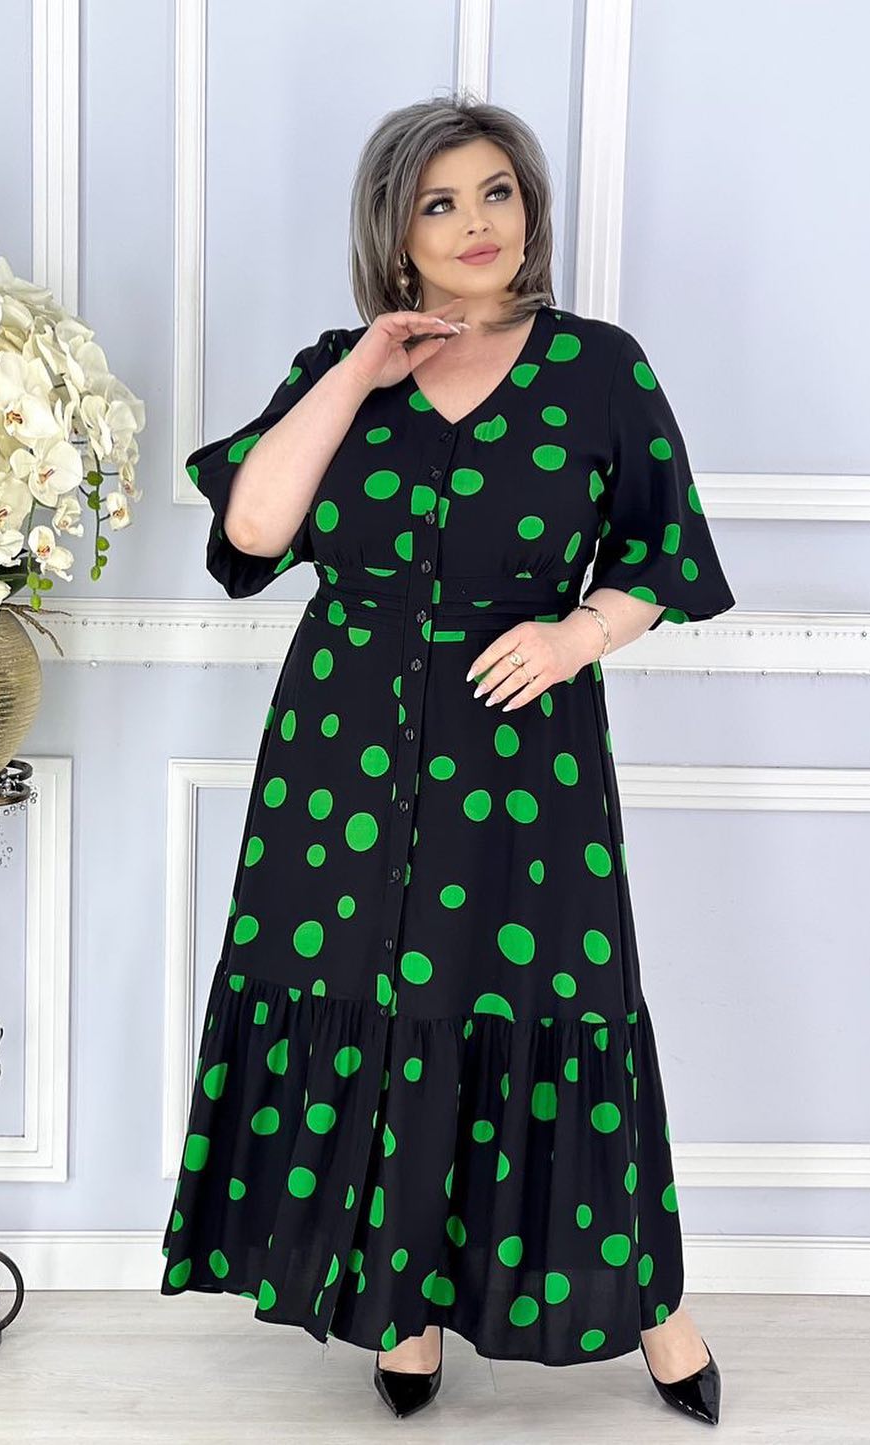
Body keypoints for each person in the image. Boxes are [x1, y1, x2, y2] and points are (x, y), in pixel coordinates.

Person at [162, 94, 734, 1429]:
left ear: (529, 208)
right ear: (395, 229)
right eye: (439, 202)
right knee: (366, 1012)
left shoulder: (599, 368)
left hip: (523, 761)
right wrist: (360, 368)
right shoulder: (339, 366)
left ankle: (658, 1315)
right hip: (339, 760)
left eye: (495, 193)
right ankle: (402, 1312)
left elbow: (664, 553)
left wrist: (576, 635)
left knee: (552, 1011)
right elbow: (253, 529)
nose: (476, 223)